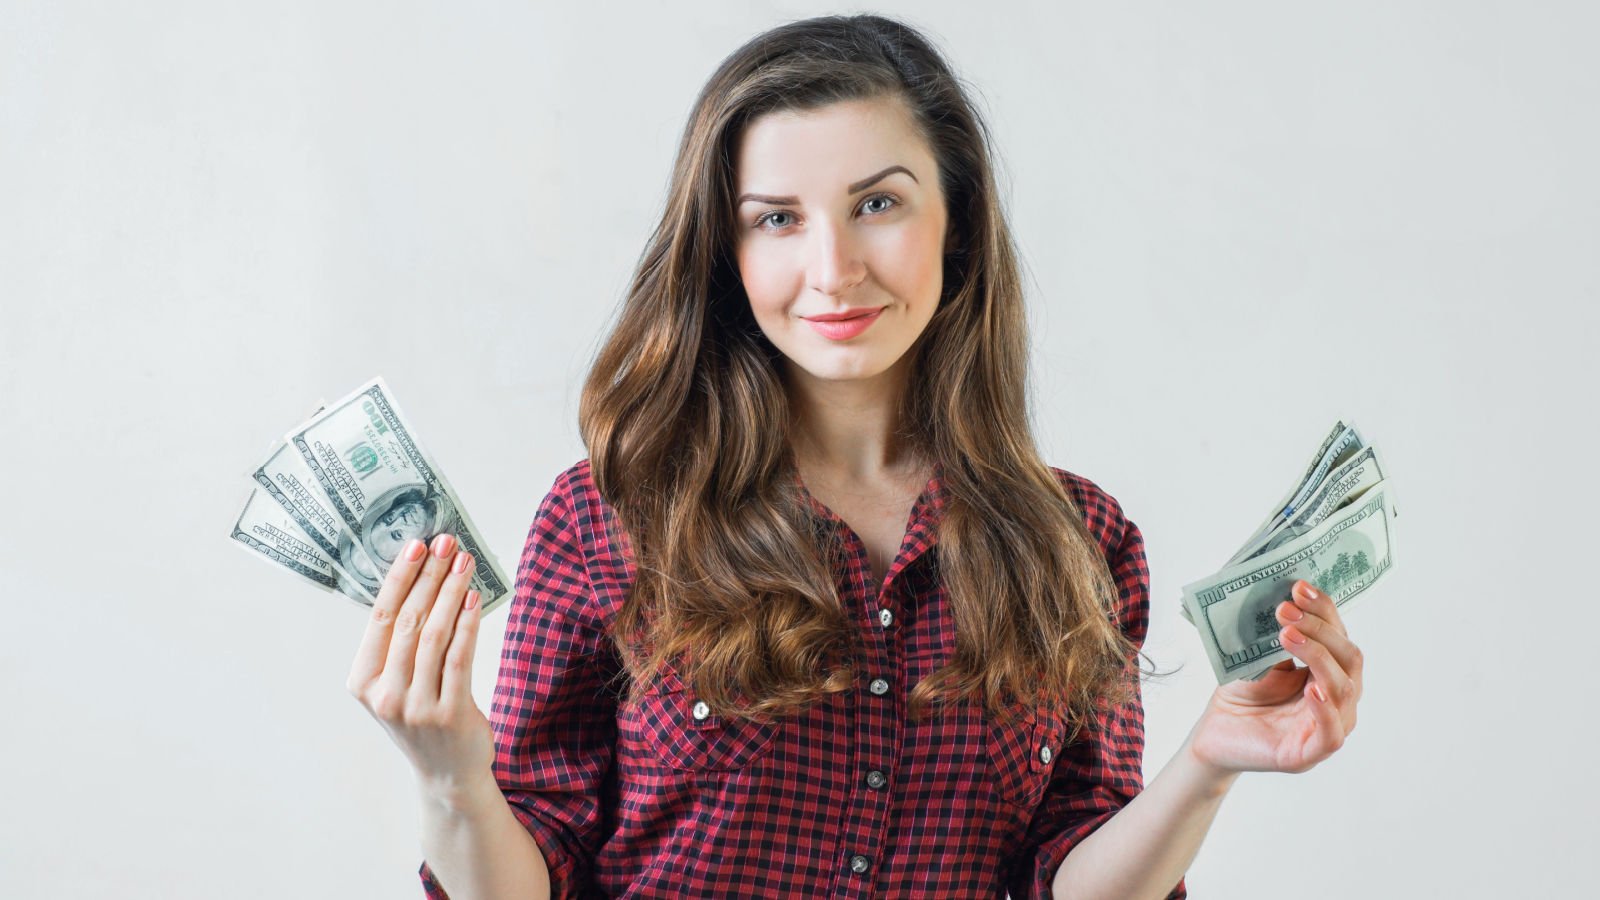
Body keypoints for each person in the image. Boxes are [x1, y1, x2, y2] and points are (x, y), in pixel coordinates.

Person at [346, 14, 1365, 899]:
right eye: (777, 220)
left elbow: (1066, 879)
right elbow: (535, 875)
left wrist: (1209, 763)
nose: (831, 271)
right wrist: (450, 778)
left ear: (955, 220)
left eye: (877, 203)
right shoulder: (609, 521)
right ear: (726, 252)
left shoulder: (1081, 542)